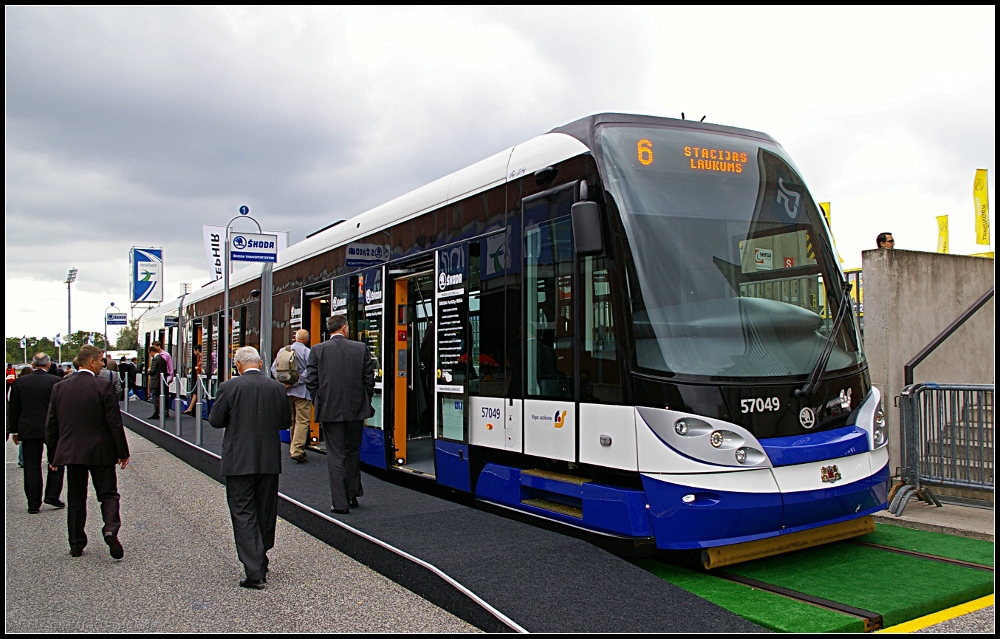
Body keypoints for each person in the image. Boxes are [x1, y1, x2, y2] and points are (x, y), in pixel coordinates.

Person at [208, 346, 290, 589]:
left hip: (238, 460)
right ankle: (261, 555)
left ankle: (254, 570)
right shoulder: (276, 388)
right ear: (261, 363)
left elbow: (215, 420)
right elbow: (285, 421)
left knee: (243, 511)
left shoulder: (228, 387)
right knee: (265, 509)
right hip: (268, 459)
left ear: (238, 365)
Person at [45, 345, 130, 559]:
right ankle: (110, 528)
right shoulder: (103, 387)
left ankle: (76, 543)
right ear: (91, 362)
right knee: (108, 493)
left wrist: (53, 455)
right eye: (101, 361)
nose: (103, 365)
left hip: (72, 453)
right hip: (101, 451)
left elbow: (52, 424)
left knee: (76, 497)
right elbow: (114, 423)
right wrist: (122, 451)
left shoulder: (59, 387)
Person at [306, 314, 374, 514]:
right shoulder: (360, 348)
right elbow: (368, 380)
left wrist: (319, 402)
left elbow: (311, 381)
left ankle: (340, 503)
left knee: (336, 455)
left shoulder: (318, 351)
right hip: (356, 410)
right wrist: (363, 400)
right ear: (344, 328)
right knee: (352, 451)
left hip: (330, 411)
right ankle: (352, 494)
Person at [7, 353, 66, 513]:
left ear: (32, 365)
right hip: (52, 428)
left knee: (31, 466)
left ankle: (33, 503)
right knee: (56, 462)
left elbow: (14, 408)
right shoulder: (57, 382)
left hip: (28, 427)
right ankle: (52, 495)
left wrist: (14, 430)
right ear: (48, 365)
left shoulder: (19, 383)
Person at [269, 329, 312, 463]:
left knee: (292, 420)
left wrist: (284, 383)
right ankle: (297, 450)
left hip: (287, 392)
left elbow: (273, 369)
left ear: (295, 338)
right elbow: (310, 371)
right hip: (302, 392)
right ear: (306, 340)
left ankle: (293, 447)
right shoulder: (307, 352)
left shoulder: (283, 350)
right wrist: (296, 381)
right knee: (302, 421)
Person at [147, 344, 170, 419]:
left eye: (150, 353)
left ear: (152, 352)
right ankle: (158, 412)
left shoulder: (155, 359)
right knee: (160, 397)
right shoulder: (162, 359)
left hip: (155, 382)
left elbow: (153, 371)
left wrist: (148, 371)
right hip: (161, 381)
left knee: (156, 398)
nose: (150, 355)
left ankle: (160, 412)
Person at [183, 344, 203, 416]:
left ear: (197, 350)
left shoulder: (202, 357)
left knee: (195, 392)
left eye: (194, 350)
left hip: (202, 378)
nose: (194, 352)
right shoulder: (199, 357)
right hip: (199, 378)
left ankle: (190, 408)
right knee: (195, 392)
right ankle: (190, 408)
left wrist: (197, 368)